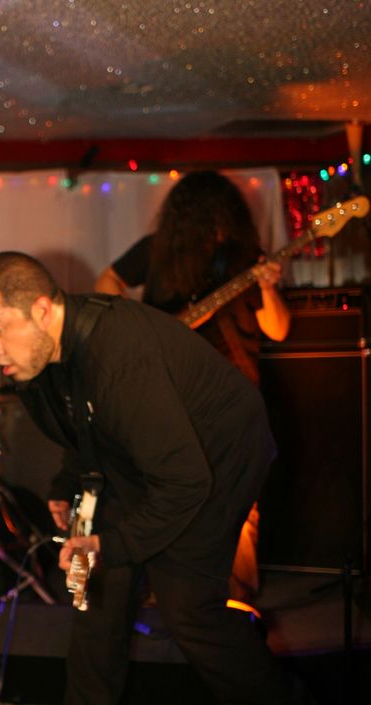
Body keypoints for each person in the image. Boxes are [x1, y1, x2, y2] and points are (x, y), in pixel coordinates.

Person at [0, 251, 320, 705]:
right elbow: (86, 426)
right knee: (96, 600)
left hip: (215, 462)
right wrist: (68, 484)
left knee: (189, 611)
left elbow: (184, 481)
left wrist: (112, 542)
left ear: (41, 309)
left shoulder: (118, 355)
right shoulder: (39, 359)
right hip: (145, 462)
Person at [95, 170, 291, 608]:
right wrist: (139, 328)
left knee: (239, 500)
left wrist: (268, 288)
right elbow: (107, 283)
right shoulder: (157, 251)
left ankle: (236, 602)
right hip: (175, 396)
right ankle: (171, 597)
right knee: (173, 495)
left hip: (233, 396)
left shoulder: (246, 259)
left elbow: (278, 329)